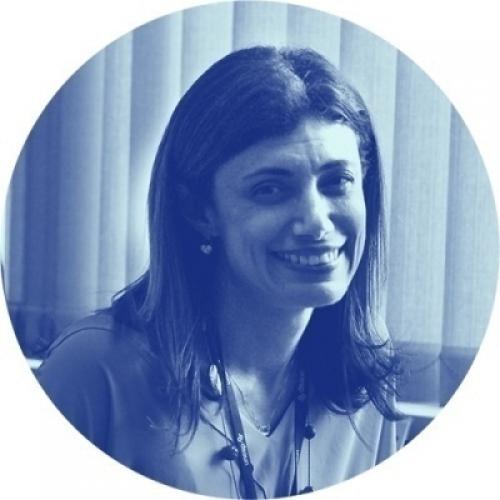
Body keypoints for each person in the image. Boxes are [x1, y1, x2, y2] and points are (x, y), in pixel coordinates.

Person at [36, 46, 402, 498]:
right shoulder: (93, 371)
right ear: (199, 211)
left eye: (336, 182)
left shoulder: (366, 371)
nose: (316, 222)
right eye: (270, 189)